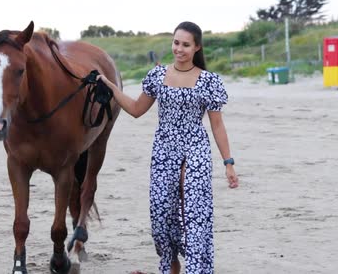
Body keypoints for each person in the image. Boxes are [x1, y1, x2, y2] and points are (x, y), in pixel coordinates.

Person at [97, 21, 238, 273]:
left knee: (195, 214)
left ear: (197, 47)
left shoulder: (209, 81)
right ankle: (171, 263)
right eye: (176, 43)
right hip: (164, 150)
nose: (179, 49)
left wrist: (228, 163)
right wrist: (111, 86)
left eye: (186, 44)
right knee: (162, 215)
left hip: (196, 148)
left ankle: (196, 269)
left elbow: (217, 125)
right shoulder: (157, 76)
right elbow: (136, 109)